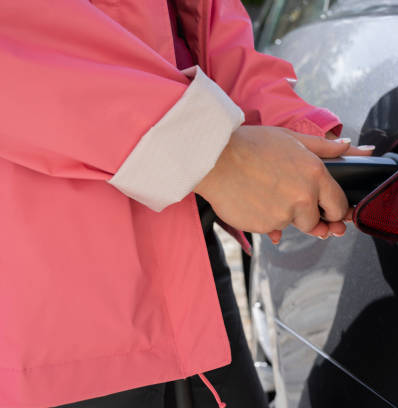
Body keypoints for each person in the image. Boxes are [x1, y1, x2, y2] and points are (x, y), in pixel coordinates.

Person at [0, 0, 374, 407]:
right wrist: (212, 152)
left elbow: (204, 21)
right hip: (48, 308)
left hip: (187, 264)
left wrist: (294, 138)